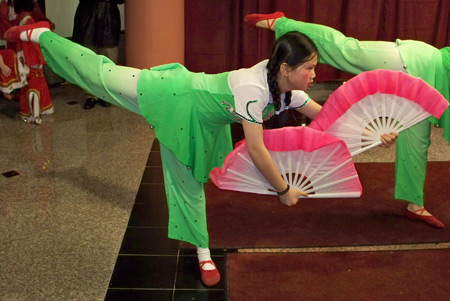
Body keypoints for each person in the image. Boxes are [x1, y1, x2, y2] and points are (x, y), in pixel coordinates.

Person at [3, 21, 397, 286]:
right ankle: (40, 37)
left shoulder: (284, 87)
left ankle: (202, 251)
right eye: (309, 68)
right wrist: (283, 190)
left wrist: (370, 135)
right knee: (100, 75)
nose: (314, 76)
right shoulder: (252, 90)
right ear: (285, 67)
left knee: (189, 181)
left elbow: (327, 117)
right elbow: (257, 151)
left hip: (202, 118)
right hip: (172, 96)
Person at [244, 12, 448, 229]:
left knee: (418, 144)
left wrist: (370, 135)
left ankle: (415, 205)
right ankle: (281, 24)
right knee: (348, 50)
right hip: (419, 60)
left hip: (434, 86)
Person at [72, 0, 124, 110]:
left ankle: (106, 95)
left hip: (109, 19)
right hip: (88, 19)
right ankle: (91, 95)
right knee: (89, 62)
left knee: (109, 61)